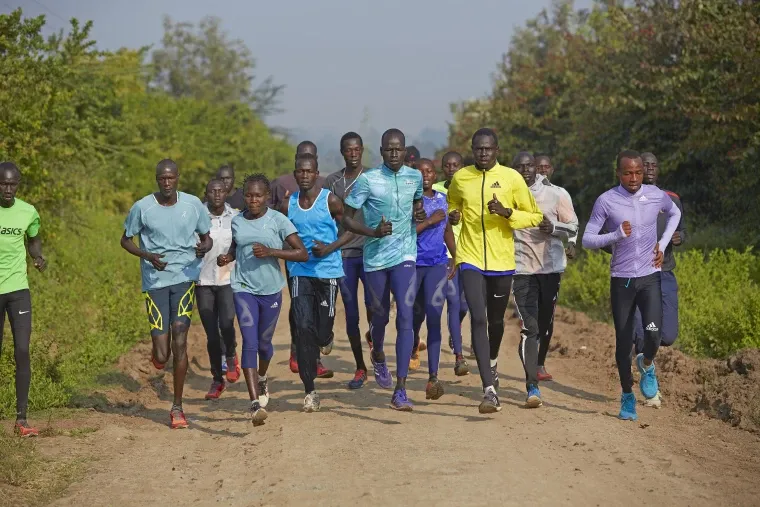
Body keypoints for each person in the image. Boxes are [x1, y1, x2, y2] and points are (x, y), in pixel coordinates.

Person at [448, 129, 543, 413]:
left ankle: (491, 362)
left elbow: (534, 216)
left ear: (497, 150)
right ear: (473, 150)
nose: (483, 153)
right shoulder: (461, 177)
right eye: (478, 149)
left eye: (488, 149)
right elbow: (453, 203)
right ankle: (489, 390)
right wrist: (455, 215)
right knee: (478, 318)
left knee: (496, 322)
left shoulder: (511, 178)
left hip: (501, 262)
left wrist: (507, 212)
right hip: (470, 257)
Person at [582, 149, 681, 421]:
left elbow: (674, 214)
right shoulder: (607, 200)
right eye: (628, 173)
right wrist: (615, 235)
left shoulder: (656, 195)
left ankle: (646, 363)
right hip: (622, 281)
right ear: (619, 173)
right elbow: (587, 239)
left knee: (653, 334)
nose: (634, 178)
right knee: (624, 342)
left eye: (638, 172)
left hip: (650, 277)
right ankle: (627, 395)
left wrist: (662, 244)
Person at [121, 159, 213, 429]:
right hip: (156, 281)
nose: (167, 182)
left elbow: (206, 237)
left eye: (171, 178)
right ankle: (158, 353)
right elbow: (125, 240)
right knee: (162, 355)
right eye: (162, 178)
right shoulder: (143, 207)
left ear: (178, 178)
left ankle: (177, 407)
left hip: (185, 277)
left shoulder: (193, 204)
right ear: (157, 179)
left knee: (180, 341)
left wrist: (204, 247)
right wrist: (147, 255)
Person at [343, 128, 426, 411]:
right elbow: (346, 218)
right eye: (388, 149)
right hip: (376, 258)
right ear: (381, 151)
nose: (394, 153)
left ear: (405, 150)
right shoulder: (368, 180)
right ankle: (377, 352)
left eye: (398, 148)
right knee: (379, 316)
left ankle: (400, 389)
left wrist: (419, 212)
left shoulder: (415, 177)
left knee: (405, 314)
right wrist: (372, 232)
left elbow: (417, 203)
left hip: (405, 255)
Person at [217, 174, 308, 425]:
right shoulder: (237, 221)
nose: (253, 200)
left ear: (267, 196)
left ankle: (263, 377)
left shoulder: (278, 220)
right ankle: (254, 403)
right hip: (243, 287)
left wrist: (271, 252)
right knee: (249, 341)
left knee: (264, 344)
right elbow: (236, 248)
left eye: (258, 195)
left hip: (270, 290)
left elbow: (302, 253)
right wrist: (227, 258)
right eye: (248, 195)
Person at [511, 152, 578, 406]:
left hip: (550, 268)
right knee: (530, 328)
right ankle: (532, 386)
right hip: (520, 270)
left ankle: (537, 360)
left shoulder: (556, 194)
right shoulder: (506, 193)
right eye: (520, 166)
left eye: (529, 166)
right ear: (513, 169)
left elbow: (573, 225)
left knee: (544, 323)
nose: (526, 170)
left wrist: (555, 228)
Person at [280, 154, 344, 411]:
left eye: (309, 171)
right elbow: (277, 229)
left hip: (328, 270)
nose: (304, 175)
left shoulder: (330, 200)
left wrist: (329, 248)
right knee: (303, 328)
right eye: (300, 171)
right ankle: (310, 391)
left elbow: (349, 229)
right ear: (295, 174)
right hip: (300, 271)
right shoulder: (288, 204)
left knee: (321, 331)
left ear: (317, 174)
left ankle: (326, 336)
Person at [270, 141, 331, 378]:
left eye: (310, 158)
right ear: (295, 162)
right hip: (295, 255)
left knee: (318, 305)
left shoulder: (325, 184)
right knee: (300, 303)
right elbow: (270, 215)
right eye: (301, 158)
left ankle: (314, 355)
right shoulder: (281, 183)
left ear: (316, 163)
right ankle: (299, 354)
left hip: (321, 257)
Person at [632, 152, 686, 407]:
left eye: (654, 165)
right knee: (642, 333)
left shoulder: (672, 199)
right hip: (636, 274)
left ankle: (644, 359)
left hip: (664, 273)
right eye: (646, 165)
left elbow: (682, 230)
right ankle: (648, 374)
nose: (650, 168)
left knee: (668, 334)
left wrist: (680, 237)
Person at [323, 132, 374, 389]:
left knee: (376, 306)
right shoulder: (333, 181)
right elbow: (326, 217)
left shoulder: (374, 177)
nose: (353, 153)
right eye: (348, 150)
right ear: (342, 152)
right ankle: (360, 368)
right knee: (351, 313)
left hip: (372, 252)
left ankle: (374, 337)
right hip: (344, 254)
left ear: (362, 150)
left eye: (356, 149)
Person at [0, 162, 46, 437]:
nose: (8, 189)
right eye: (3, 184)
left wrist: (37, 256)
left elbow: (33, 239)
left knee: (22, 350)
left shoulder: (28, 212)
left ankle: (22, 419)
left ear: (18, 185)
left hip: (18, 290)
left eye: (12, 184)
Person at [410, 158, 456, 399]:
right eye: (420, 172)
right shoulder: (409, 201)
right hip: (412, 265)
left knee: (434, 317)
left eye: (428, 171)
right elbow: (404, 233)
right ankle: (412, 345)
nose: (425, 175)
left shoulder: (443, 200)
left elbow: (447, 230)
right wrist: (429, 221)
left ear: (434, 175)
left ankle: (433, 377)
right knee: (414, 316)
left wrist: (455, 256)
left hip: (437, 265)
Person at [197, 179, 240, 401]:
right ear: (206, 194)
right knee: (212, 335)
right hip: (202, 281)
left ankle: (231, 354)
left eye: (220, 191)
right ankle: (217, 380)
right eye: (212, 191)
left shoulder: (236, 217)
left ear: (226, 193)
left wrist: (231, 256)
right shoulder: (197, 216)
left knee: (226, 323)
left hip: (227, 279)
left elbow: (240, 244)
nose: (216, 195)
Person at [433, 151, 470, 373]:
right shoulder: (436, 190)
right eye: (447, 165)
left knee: (465, 305)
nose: (451, 169)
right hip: (447, 254)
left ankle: (455, 329)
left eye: (456, 165)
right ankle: (459, 355)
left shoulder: (470, 188)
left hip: (470, 253)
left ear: (462, 167)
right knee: (454, 302)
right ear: (442, 168)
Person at [536, 154, 577, 260]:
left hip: (552, 255)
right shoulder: (524, 192)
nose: (543, 170)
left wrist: (572, 242)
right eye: (539, 167)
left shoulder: (560, 193)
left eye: (546, 167)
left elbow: (572, 223)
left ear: (552, 170)